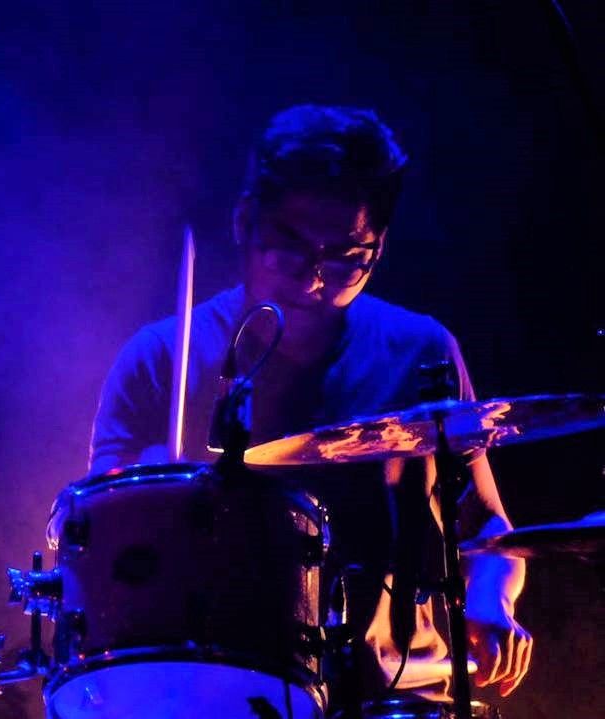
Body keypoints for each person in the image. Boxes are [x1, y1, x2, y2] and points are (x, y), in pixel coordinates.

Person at [88, 104, 531, 712]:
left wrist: (491, 599)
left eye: (349, 257)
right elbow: (100, 554)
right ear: (246, 222)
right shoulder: (162, 358)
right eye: (291, 250)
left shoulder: (423, 351)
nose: (315, 279)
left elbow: (486, 526)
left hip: (398, 690)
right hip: (214, 690)